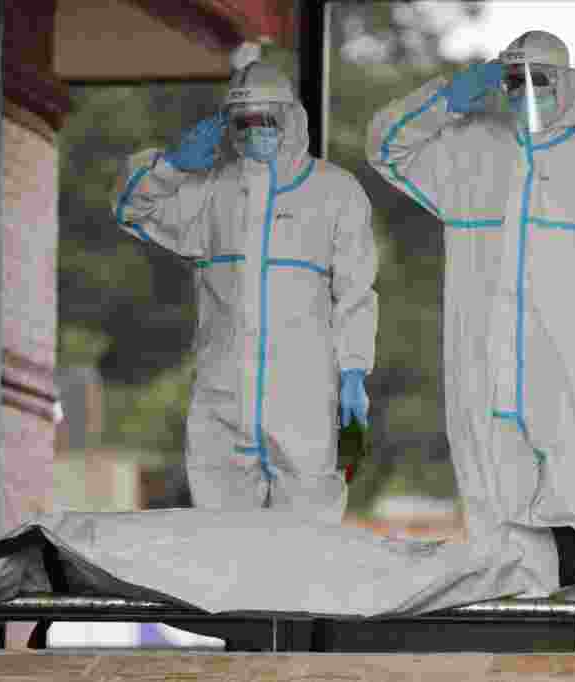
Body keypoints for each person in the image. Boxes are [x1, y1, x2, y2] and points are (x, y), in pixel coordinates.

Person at [365, 30, 575, 541]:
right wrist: (446, 99)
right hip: (479, 367)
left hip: (569, 371)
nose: (527, 90)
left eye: (540, 79)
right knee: (491, 513)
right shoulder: (469, 153)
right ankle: (510, 609)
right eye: (514, 80)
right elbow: (386, 146)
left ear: (568, 85)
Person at [111, 52, 378, 524]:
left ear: (291, 117)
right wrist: (171, 165)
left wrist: (354, 374)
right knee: (222, 540)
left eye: (267, 118)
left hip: (305, 396)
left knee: (309, 540)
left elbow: (356, 292)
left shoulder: (335, 192)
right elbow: (131, 209)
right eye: (244, 120)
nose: (256, 129)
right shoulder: (209, 190)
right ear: (228, 123)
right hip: (222, 393)